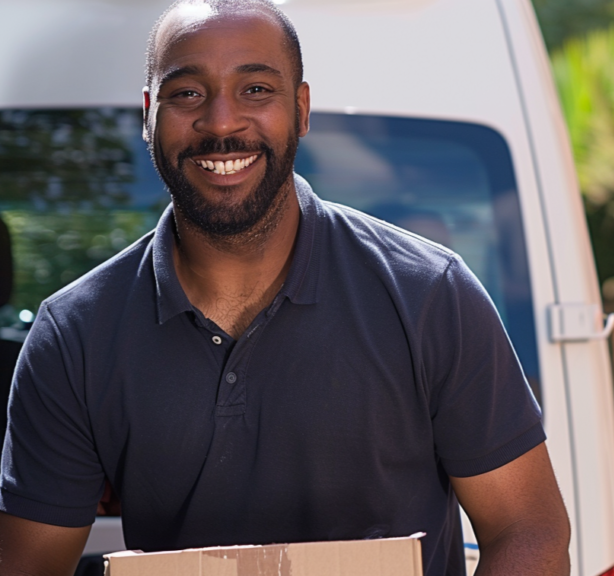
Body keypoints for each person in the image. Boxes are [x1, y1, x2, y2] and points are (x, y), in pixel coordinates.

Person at [0, 1, 570, 575]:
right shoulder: (73, 336)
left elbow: (529, 528)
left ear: (300, 108)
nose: (222, 123)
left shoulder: (429, 295)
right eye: (188, 93)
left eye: (255, 90)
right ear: (150, 113)